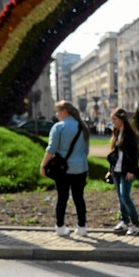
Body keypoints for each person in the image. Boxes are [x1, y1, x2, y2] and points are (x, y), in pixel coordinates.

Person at [41, 100, 90, 237]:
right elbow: (86, 150)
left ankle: (61, 227)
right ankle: (82, 227)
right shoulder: (82, 126)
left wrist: (43, 165)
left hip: (62, 169)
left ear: (64, 111)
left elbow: (51, 150)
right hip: (80, 168)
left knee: (62, 198)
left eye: (58, 111)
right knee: (79, 198)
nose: (57, 114)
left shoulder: (58, 127)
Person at [106, 108, 139, 235]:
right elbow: (114, 155)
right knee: (120, 198)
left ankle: (136, 224)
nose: (113, 122)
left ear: (122, 119)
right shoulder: (116, 133)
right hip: (116, 171)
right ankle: (124, 221)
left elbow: (135, 154)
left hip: (126, 171)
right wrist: (110, 170)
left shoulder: (129, 134)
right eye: (112, 119)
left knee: (125, 196)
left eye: (115, 119)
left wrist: (131, 170)